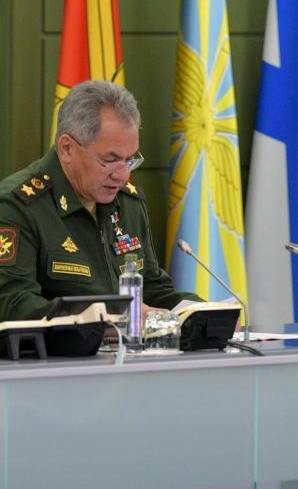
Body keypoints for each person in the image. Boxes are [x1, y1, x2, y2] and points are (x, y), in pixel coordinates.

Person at [0, 79, 188, 323]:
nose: (122, 175)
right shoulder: (17, 207)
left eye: (130, 160)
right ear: (67, 148)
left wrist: (200, 312)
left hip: (129, 356)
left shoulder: (128, 203)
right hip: (57, 359)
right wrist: (107, 317)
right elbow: (12, 305)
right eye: (109, 160)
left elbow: (151, 289)